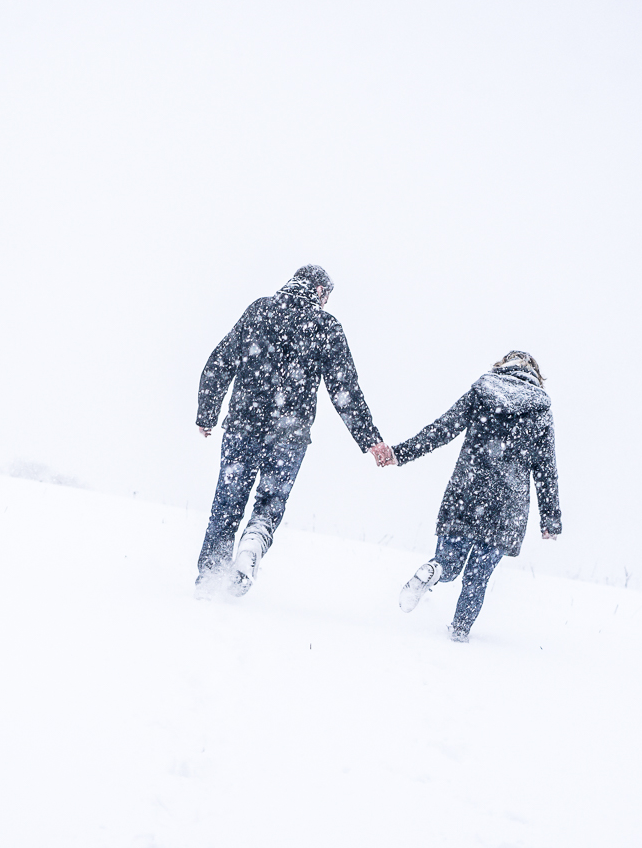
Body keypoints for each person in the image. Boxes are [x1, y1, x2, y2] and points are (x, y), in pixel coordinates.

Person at [195, 264, 392, 595]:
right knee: (271, 501)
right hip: (290, 433)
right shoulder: (325, 326)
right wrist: (370, 439)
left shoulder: (259, 310)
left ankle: (210, 578)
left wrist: (207, 413)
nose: (326, 305)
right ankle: (253, 543)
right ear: (319, 291)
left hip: (243, 424)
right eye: (327, 297)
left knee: (228, 501)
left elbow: (220, 361)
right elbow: (344, 389)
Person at [389, 351, 561, 641]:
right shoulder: (540, 411)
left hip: (466, 493)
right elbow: (546, 469)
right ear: (536, 377)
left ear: (502, 367)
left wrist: (401, 453)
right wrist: (551, 519)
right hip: (507, 507)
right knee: (477, 577)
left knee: (449, 561)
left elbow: (442, 429)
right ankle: (459, 633)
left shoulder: (482, 392)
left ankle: (435, 569)